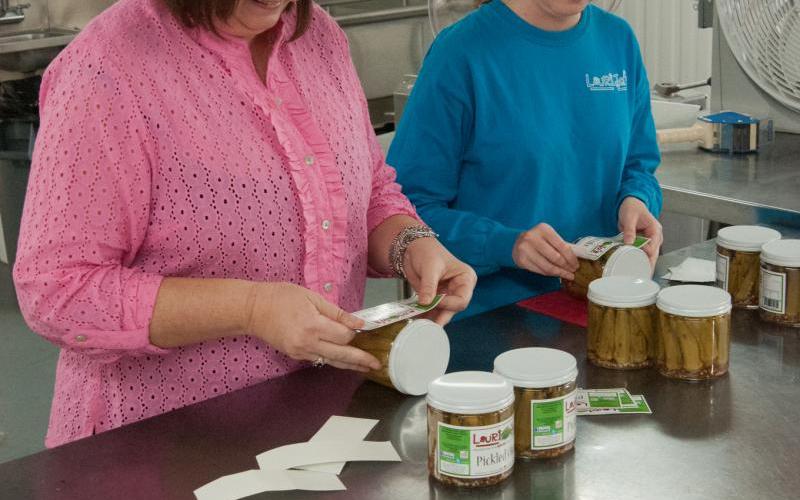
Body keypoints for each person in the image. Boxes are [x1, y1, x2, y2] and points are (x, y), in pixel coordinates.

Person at [13, 0, 476, 448]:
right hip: (156, 444)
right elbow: (57, 290)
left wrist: (411, 245)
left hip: (315, 427)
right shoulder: (107, 68)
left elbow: (370, 190)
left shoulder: (320, 38)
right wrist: (252, 308)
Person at [388, 0, 663, 319]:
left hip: (607, 310)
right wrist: (505, 244)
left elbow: (639, 166)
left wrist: (637, 200)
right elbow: (405, 212)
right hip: (496, 321)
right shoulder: (461, 53)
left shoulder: (618, 39)